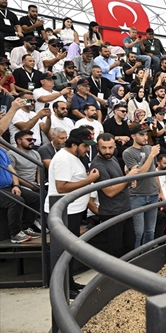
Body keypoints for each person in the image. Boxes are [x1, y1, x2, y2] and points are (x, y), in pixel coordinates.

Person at [45, 127, 100, 298]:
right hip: (65, 212)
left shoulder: (73, 157)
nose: (87, 149)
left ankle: (69, 283)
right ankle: (64, 287)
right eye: (85, 146)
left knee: (70, 250)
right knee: (65, 250)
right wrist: (89, 180)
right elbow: (61, 187)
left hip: (74, 211)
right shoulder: (64, 159)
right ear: (74, 144)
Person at [90, 133, 139, 257]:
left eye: (110, 147)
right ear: (97, 147)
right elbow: (109, 192)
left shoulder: (113, 158)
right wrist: (128, 178)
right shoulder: (98, 165)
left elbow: (119, 182)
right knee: (115, 250)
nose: (107, 151)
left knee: (129, 246)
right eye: (104, 148)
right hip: (112, 213)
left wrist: (128, 182)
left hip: (124, 209)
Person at [122, 123, 163, 248]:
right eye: (141, 135)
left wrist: (160, 191)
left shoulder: (149, 148)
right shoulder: (128, 152)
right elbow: (139, 174)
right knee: (138, 232)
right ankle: (136, 258)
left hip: (152, 193)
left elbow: (153, 171)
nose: (145, 137)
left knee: (150, 231)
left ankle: (147, 256)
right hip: (137, 196)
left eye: (146, 134)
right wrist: (151, 155)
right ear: (133, 136)